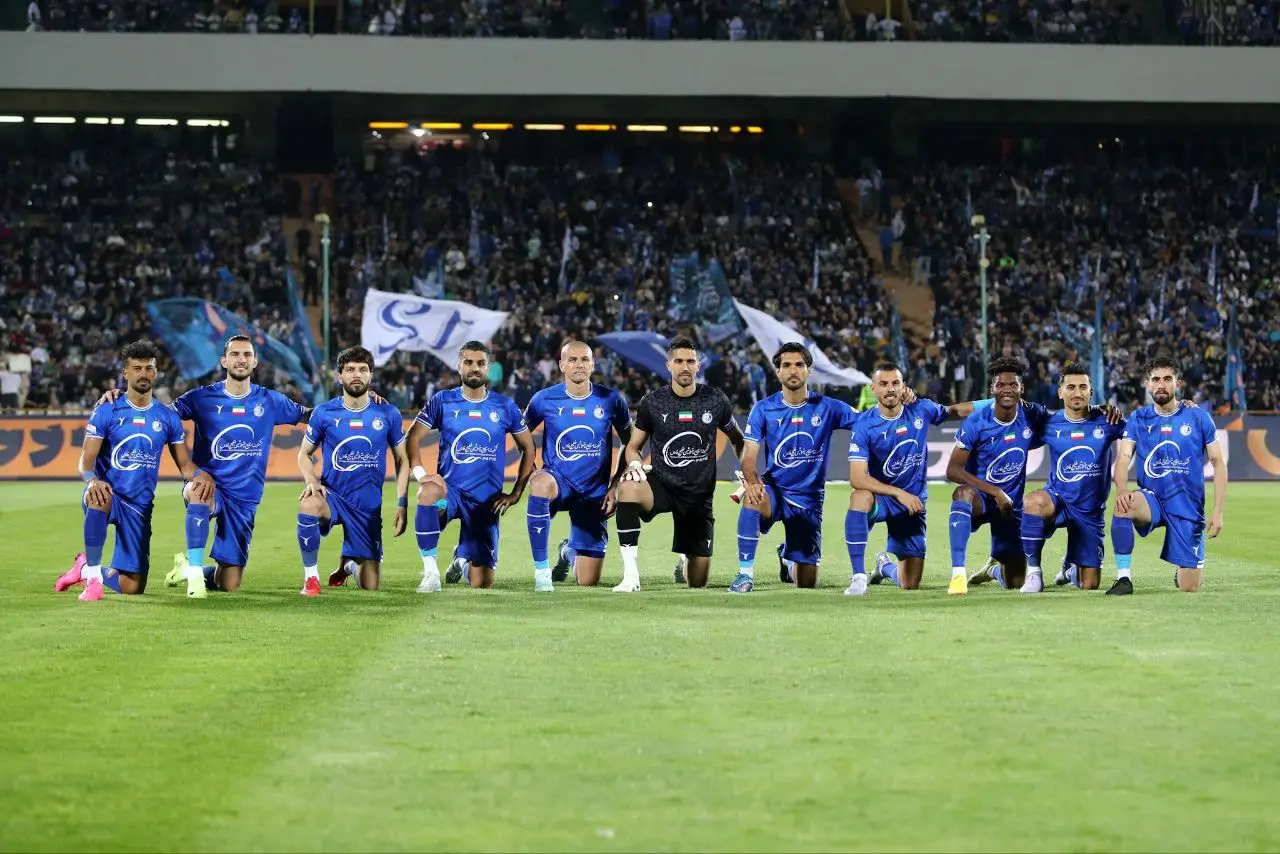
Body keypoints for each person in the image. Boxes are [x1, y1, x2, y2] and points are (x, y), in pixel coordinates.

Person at [55, 340, 204, 601]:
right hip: (109, 495)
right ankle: (94, 580)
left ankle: (83, 567)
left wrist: (201, 476)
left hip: (139, 506)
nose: (143, 374)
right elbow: (86, 461)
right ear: (126, 373)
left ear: (156, 373)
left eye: (148, 368)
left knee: (132, 587)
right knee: (99, 496)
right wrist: (92, 481)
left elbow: (185, 465)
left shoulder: (167, 417)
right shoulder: (107, 409)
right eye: (137, 368)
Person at [613, 336, 745, 592]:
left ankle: (686, 557)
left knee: (697, 582)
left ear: (698, 366)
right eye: (679, 361)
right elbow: (632, 446)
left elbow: (738, 439)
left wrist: (748, 470)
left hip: (698, 495)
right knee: (628, 487)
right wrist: (634, 465)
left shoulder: (715, 400)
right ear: (669, 365)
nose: (685, 367)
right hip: (662, 484)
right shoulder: (653, 402)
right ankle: (631, 576)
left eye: (690, 362)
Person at [847, 362, 987, 595]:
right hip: (884, 499)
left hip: (913, 504)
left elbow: (955, 411)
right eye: (883, 384)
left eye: (895, 383)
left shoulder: (921, 409)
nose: (890, 389)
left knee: (910, 583)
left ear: (904, 386)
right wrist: (899, 493)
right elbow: (857, 477)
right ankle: (858, 577)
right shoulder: (864, 425)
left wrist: (994, 402)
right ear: (873, 388)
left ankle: (884, 567)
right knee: (860, 497)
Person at [406, 341, 535, 591]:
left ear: (487, 368)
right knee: (429, 494)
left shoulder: (505, 406)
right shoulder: (442, 401)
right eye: (468, 362)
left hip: (486, 501)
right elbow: (412, 437)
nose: (474, 368)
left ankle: (461, 560)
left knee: (482, 582)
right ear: (459, 367)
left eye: (480, 363)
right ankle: (431, 573)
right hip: (449, 495)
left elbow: (528, 448)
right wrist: (421, 475)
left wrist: (517, 492)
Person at [730, 343, 857, 593]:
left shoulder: (828, 407)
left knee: (806, 582)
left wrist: (898, 403)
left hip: (809, 501)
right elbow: (748, 455)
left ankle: (787, 558)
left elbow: (868, 422)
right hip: (775, 491)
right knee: (753, 497)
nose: (793, 370)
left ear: (809, 370)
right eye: (786, 365)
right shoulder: (764, 409)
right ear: (777, 371)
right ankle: (745, 574)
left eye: (799, 365)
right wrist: (752, 482)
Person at [1108, 356, 1227, 595]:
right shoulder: (1139, 418)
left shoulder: (1199, 417)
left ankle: (1182, 567)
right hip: (1152, 498)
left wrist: (1217, 511)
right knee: (1124, 505)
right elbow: (1124, 457)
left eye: (1167, 379)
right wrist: (1121, 489)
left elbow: (1218, 462)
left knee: (1189, 587)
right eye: (1155, 380)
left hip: (1187, 506)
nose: (1161, 384)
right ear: (1148, 384)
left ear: (1177, 384)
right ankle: (1123, 578)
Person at [296, 346, 410, 596]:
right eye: (350, 369)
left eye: (362, 369)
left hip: (367, 508)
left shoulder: (388, 413)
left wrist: (402, 502)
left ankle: (348, 565)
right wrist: (311, 480)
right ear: (339, 376)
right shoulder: (324, 412)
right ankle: (311, 578)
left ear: (371, 375)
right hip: (333, 497)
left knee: (370, 584)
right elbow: (303, 453)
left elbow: (402, 460)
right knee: (309, 504)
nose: (356, 374)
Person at [522, 341, 632, 591]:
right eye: (572, 359)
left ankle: (567, 551)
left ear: (593, 364)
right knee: (539, 483)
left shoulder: (612, 400)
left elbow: (632, 443)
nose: (579, 364)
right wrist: (533, 469)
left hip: (594, 493)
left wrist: (615, 485)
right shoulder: (544, 399)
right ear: (562, 365)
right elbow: (521, 435)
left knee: (587, 581)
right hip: (557, 482)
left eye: (584, 359)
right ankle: (542, 571)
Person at [945, 358, 1051, 595]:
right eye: (1000, 385)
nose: (1007, 389)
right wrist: (995, 491)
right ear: (992, 389)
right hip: (981, 498)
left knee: (1015, 582)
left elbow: (1065, 419)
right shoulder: (976, 422)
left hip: (1011, 507)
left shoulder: (1031, 414)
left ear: (1021, 388)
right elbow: (952, 469)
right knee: (962, 494)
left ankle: (993, 570)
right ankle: (958, 574)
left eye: (1013, 385)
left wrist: (1098, 410)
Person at [1019, 362, 1125, 594]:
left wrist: (1183, 407)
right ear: (1060, 392)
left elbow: (1140, 431)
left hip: (1090, 510)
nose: (1077, 393)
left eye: (1083, 387)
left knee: (1089, 584)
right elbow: (1019, 442)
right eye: (1071, 387)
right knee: (1033, 502)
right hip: (1058, 500)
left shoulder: (1107, 420)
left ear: (1091, 392)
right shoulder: (1049, 423)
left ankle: (1069, 567)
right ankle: (1034, 573)